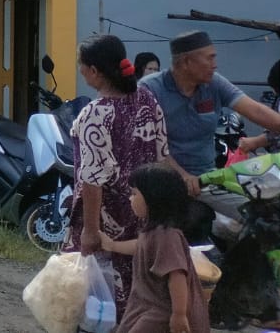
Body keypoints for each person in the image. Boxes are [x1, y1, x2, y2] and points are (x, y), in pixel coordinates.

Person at [66, 34, 171, 310]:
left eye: (81, 65)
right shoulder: (147, 99)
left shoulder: (94, 115)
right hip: (142, 216)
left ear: (94, 71)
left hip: (105, 221)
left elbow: (91, 180)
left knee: (90, 302)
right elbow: (162, 156)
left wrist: (90, 231)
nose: (80, 70)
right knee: (138, 296)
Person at [139, 31, 280, 220]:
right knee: (250, 216)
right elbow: (148, 146)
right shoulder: (149, 90)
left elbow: (256, 111)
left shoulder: (213, 83)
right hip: (163, 180)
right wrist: (183, 176)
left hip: (208, 177)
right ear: (187, 62)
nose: (215, 64)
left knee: (264, 211)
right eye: (209, 58)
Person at [101, 163, 211, 333]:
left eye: (135, 194)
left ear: (153, 199)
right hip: (146, 305)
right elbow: (141, 247)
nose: (131, 199)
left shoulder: (168, 237)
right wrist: (112, 245)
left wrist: (179, 314)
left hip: (162, 311)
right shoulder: (154, 232)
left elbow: (177, 275)